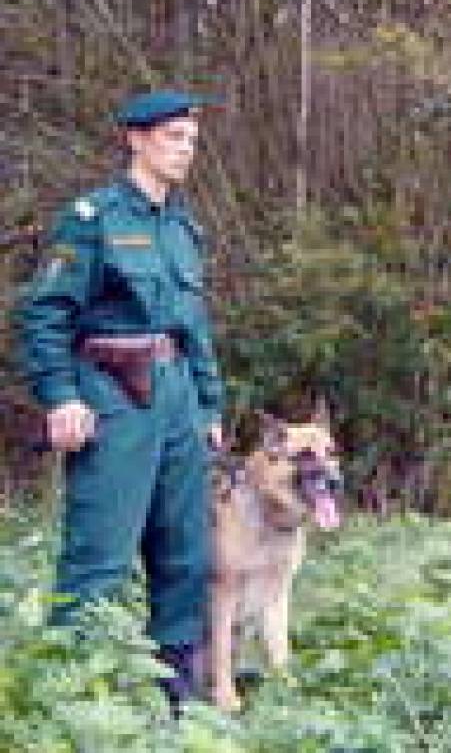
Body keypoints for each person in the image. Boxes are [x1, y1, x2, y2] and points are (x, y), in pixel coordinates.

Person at [16, 89, 225, 712]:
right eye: (171, 138)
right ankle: (73, 698)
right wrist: (60, 397)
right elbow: (45, 315)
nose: (183, 151)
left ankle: (173, 700)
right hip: (112, 391)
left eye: (190, 140)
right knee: (101, 550)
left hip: (178, 396)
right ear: (135, 139)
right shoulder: (92, 218)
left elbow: (195, 324)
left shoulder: (184, 228)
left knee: (185, 551)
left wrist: (210, 407)